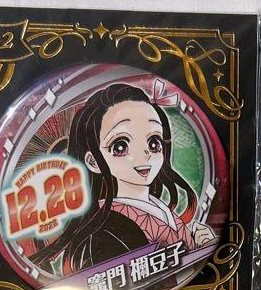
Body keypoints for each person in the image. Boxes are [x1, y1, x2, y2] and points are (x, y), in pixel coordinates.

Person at [32, 81, 216, 278]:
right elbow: (137, 288)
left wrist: (201, 247)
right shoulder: (106, 231)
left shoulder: (158, 207)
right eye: (120, 146)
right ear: (93, 161)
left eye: (154, 142)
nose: (144, 154)